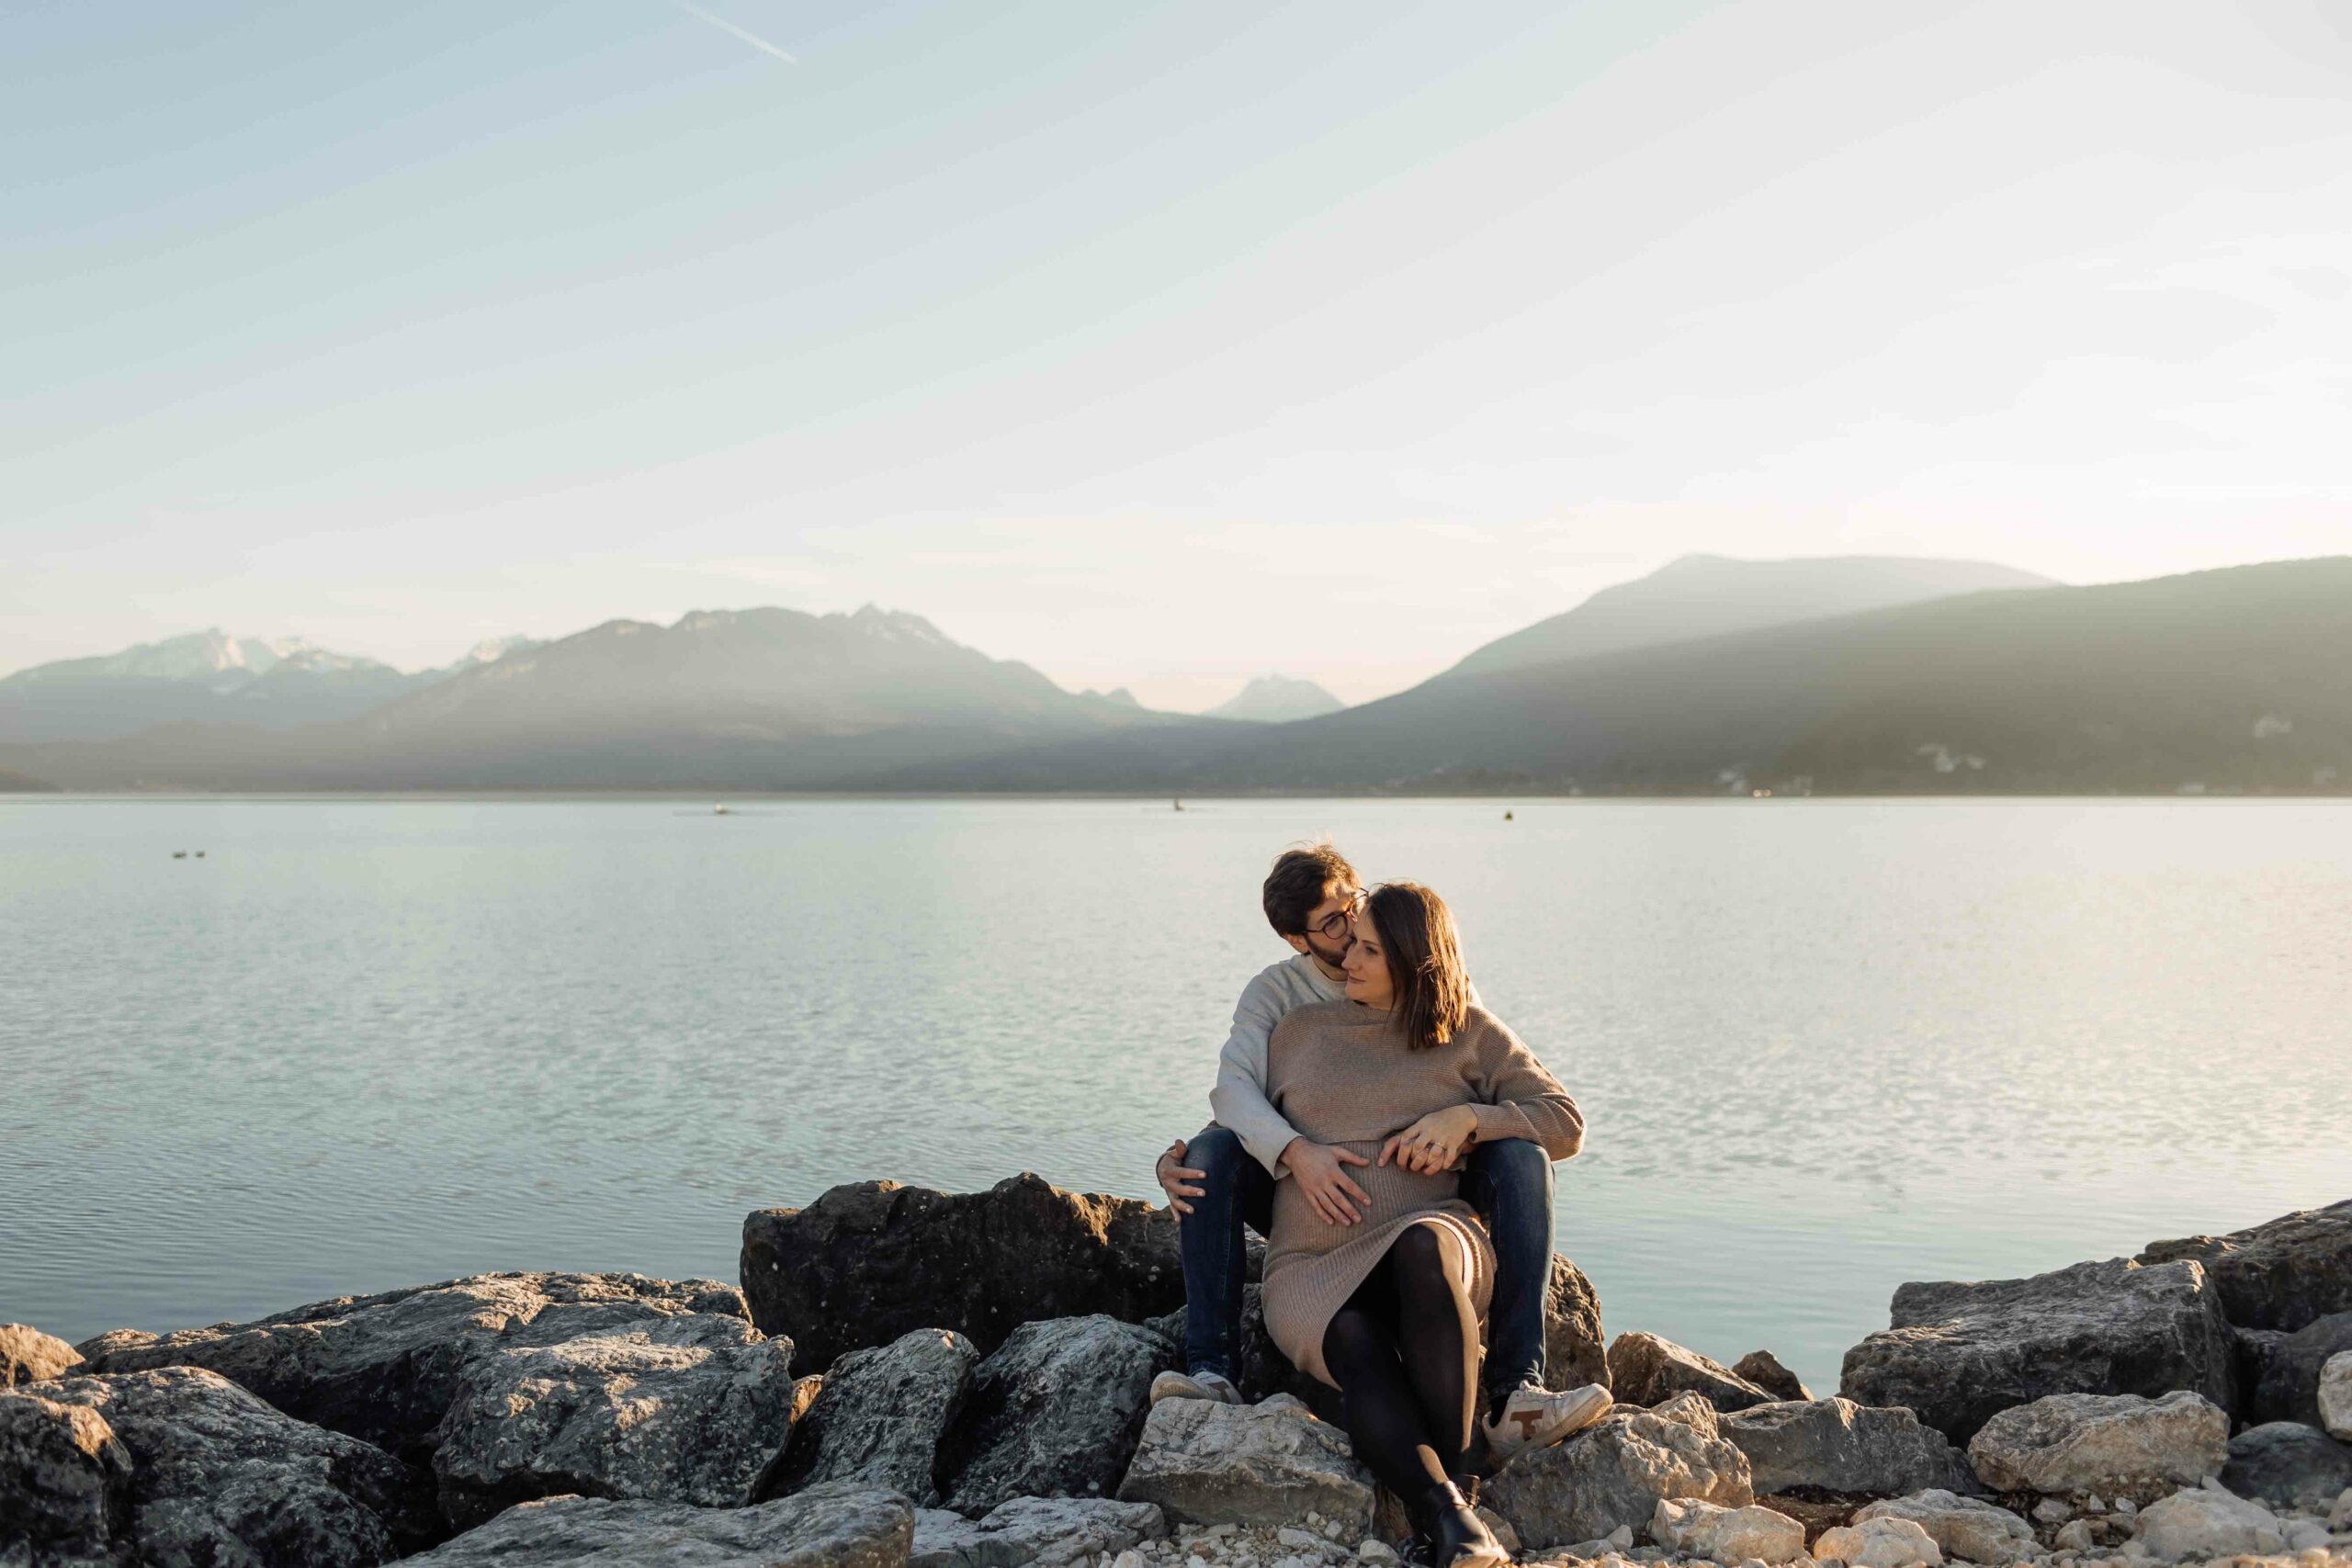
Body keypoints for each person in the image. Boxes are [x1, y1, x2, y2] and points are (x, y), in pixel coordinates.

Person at [1151, 845, 1609, 1466]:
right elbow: (1236, 1094)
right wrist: (1262, 1154)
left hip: (1430, 1194)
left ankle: (1515, 1391)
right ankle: (1213, 1371)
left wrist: (1469, 1118)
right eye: (1333, 926)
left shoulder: (1447, 1001)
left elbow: (1556, 1115)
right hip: (1312, 1194)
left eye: (1357, 915)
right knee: (1209, 1156)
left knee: (1521, 1157)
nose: (1348, 941)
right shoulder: (1283, 1005)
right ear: (1296, 937)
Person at [1261, 882, 1586, 1568]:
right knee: (1350, 1334)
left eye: (1370, 949)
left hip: (1427, 1231)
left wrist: (1470, 1117)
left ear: (1415, 962)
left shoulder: (1468, 1029)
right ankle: (1452, 1513)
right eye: (1352, 941)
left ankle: (1456, 1491)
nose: (1348, 956)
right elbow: (1240, 1127)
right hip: (1312, 1263)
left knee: (1423, 1246)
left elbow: (1563, 1120)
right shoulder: (1298, 1032)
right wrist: (1178, 1160)